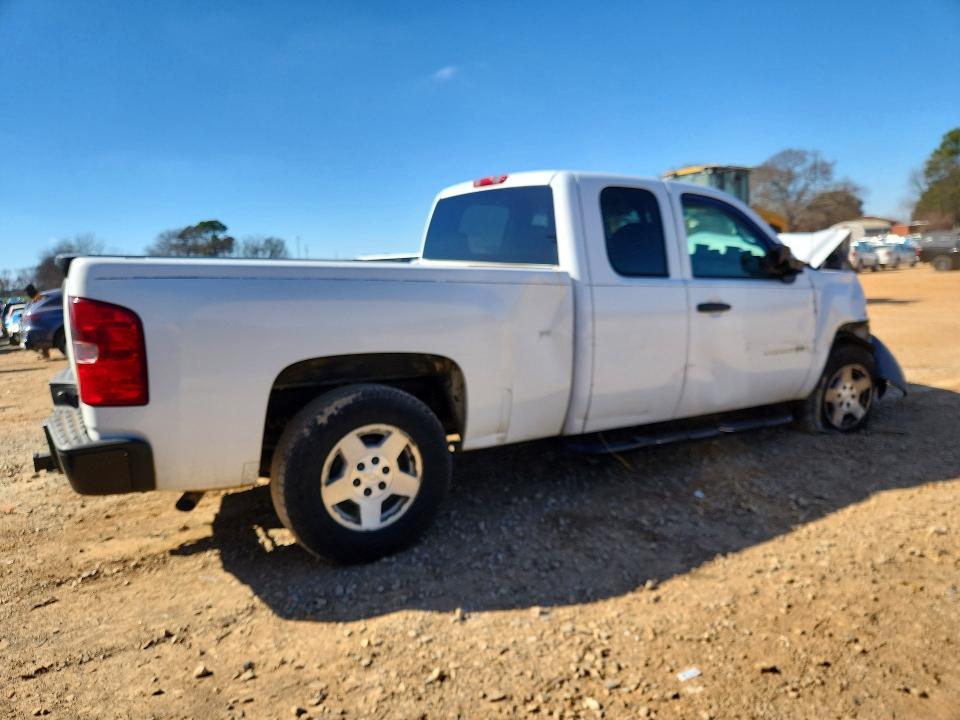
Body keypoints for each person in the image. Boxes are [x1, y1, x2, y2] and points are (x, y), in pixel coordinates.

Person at [23, 284, 49, 358]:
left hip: (41, 323)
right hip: (37, 324)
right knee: (32, 342)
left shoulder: (39, 297)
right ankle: (44, 353)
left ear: (31, 291)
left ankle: (44, 353)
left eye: (28, 292)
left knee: (30, 342)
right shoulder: (35, 298)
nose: (27, 294)